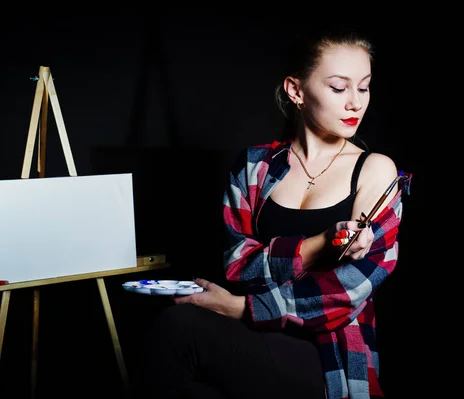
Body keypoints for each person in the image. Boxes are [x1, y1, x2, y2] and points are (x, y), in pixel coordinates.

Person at [140, 28, 412, 399]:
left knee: (180, 328)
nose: (355, 103)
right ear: (296, 90)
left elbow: (347, 293)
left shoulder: (375, 170)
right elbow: (238, 265)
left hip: (330, 355)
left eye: (363, 87)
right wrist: (318, 246)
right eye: (338, 87)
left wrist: (240, 307)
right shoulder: (254, 167)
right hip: (252, 340)